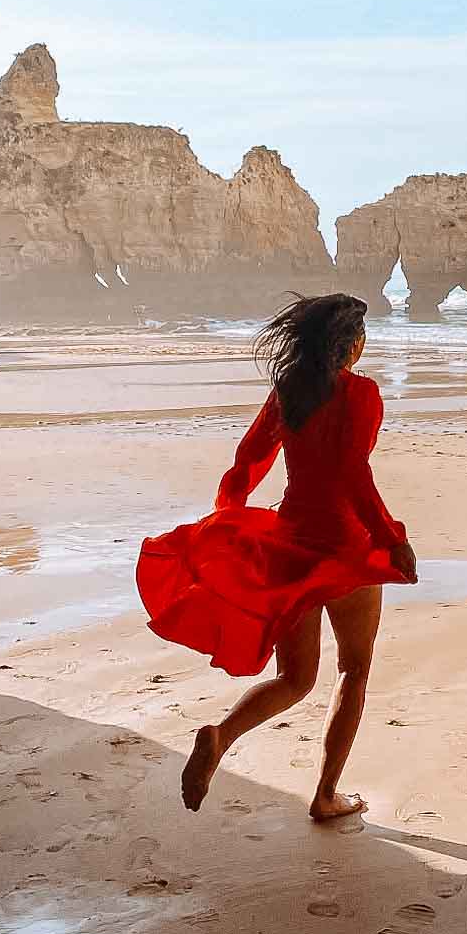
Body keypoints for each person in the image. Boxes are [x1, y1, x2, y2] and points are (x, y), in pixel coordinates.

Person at [136, 292, 417, 822]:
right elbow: (353, 471)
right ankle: (326, 795)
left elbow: (248, 460)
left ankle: (221, 736)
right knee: (353, 669)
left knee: (296, 678)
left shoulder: (289, 391)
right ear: (353, 346)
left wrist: (227, 517)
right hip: (345, 550)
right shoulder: (360, 393)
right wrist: (390, 537)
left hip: (288, 547)